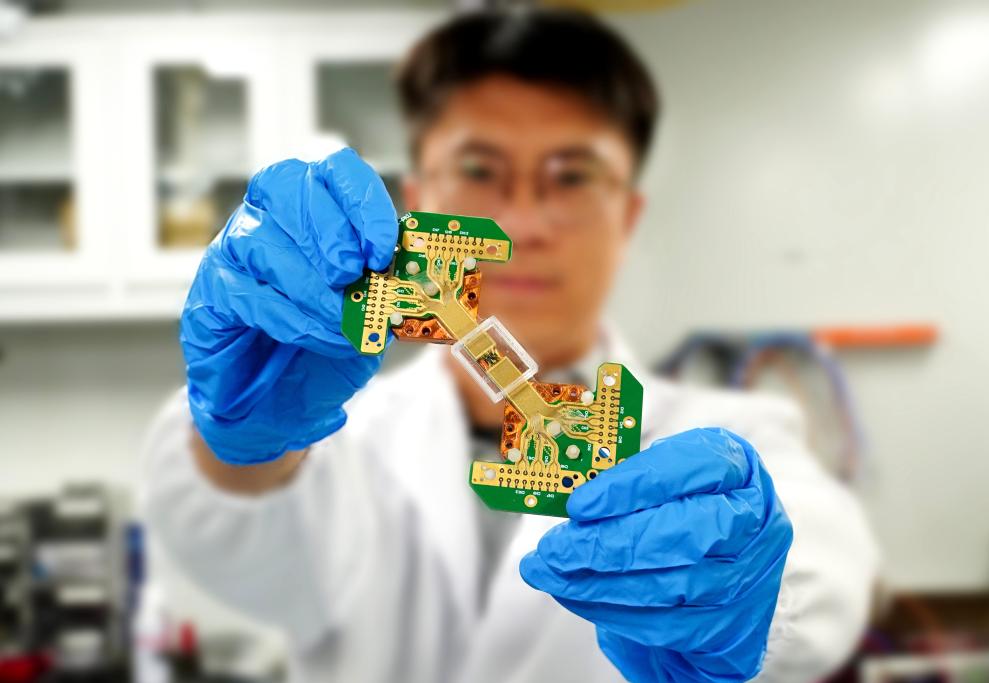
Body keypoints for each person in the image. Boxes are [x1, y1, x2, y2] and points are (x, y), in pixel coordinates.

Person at [142, 8, 878, 683]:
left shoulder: (733, 442)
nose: (524, 222)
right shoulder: (339, 436)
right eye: (479, 170)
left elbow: (825, 569)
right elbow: (227, 540)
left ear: (628, 216)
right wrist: (239, 443)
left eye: (572, 176)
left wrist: (754, 603)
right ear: (417, 201)